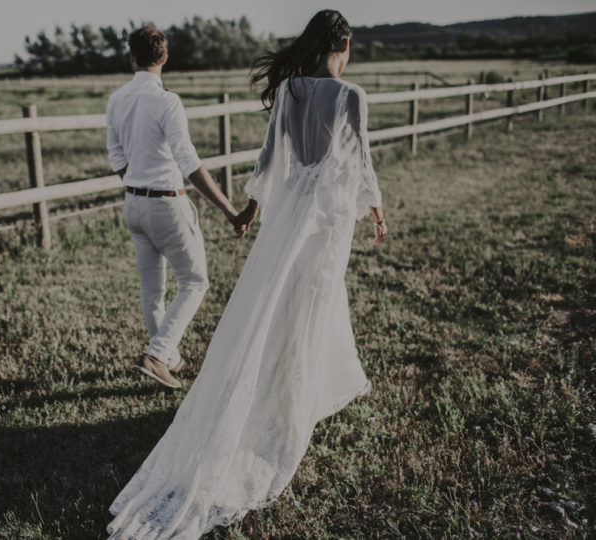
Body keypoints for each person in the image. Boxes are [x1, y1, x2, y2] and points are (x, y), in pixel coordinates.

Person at [107, 10, 387, 538]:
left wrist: (254, 209)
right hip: (323, 219)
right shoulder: (350, 96)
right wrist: (374, 209)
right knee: (311, 302)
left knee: (279, 304)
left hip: (288, 217)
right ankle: (289, 404)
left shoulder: (289, 92)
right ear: (344, 43)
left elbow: (268, 157)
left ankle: (291, 387)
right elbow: (360, 160)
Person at [106, 25, 249, 389]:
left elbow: (117, 158)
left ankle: (166, 356)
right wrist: (229, 210)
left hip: (133, 204)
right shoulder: (167, 101)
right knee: (195, 281)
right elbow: (189, 163)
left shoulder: (116, 99)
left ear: (131, 57)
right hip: (166, 204)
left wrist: (138, 178)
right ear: (164, 58)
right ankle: (158, 354)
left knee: (151, 293)